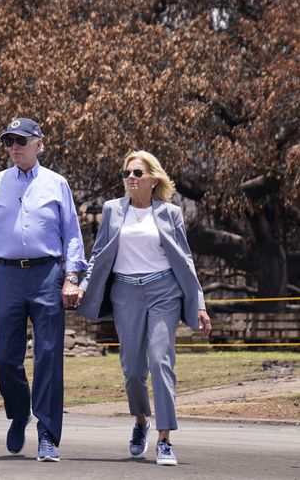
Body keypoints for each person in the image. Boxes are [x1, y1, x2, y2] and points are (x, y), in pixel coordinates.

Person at [77, 150, 212, 466]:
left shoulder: (170, 213)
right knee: (133, 370)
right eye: (126, 174)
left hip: (163, 290)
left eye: (137, 173)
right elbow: (97, 255)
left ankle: (164, 440)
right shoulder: (112, 210)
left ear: (153, 179)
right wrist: (83, 286)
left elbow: (185, 259)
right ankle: (141, 420)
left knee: (160, 359)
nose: (131, 179)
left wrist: (200, 304)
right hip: (126, 293)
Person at [0, 117, 86, 462]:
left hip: (47, 273)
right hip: (6, 275)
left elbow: (73, 234)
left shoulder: (56, 183)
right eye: (9, 142)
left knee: (49, 355)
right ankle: (20, 412)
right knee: (5, 358)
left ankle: (47, 433)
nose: (14, 148)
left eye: (21, 140)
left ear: (39, 143)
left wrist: (72, 276)